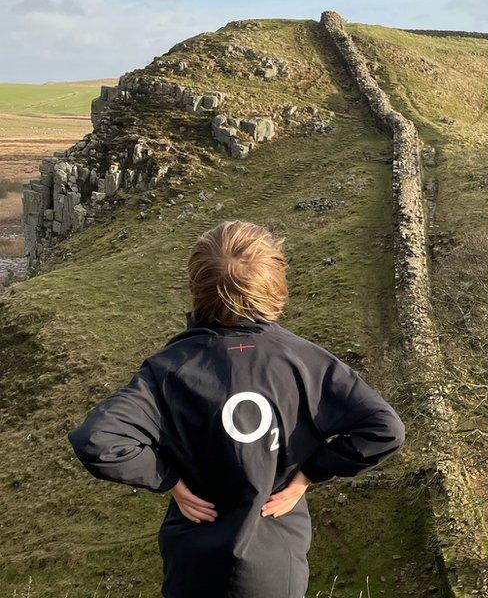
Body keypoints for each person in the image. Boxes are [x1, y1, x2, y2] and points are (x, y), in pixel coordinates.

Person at [67, 220, 405, 598]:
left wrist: (170, 481)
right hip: (276, 563)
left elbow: (96, 440)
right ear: (275, 287)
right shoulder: (306, 361)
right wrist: (307, 475)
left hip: (194, 566)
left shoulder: (168, 369)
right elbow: (385, 429)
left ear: (197, 287)